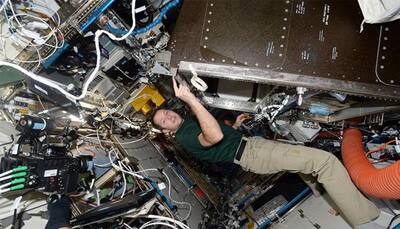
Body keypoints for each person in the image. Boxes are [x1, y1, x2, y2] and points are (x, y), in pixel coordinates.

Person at [152, 77, 381, 228]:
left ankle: (329, 197)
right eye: (164, 121)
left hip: (250, 147)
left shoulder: (187, 126)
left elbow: (217, 138)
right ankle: (364, 218)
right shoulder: (183, 136)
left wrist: (235, 125)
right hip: (253, 154)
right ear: (165, 130)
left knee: (305, 166)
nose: (169, 116)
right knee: (324, 161)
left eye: (166, 113)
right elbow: (214, 137)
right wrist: (191, 99)